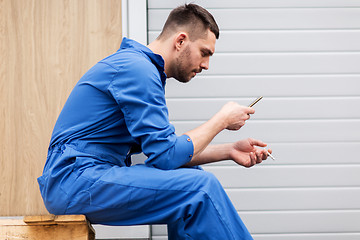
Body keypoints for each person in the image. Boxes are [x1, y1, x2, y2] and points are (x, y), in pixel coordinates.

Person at [38, 4, 272, 240]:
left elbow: (166, 154)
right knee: (201, 188)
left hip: (81, 177)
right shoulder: (138, 69)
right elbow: (167, 155)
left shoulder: (140, 69)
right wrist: (221, 120)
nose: (206, 65)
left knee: (190, 175)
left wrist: (229, 150)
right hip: (73, 179)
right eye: (204, 53)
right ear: (180, 41)